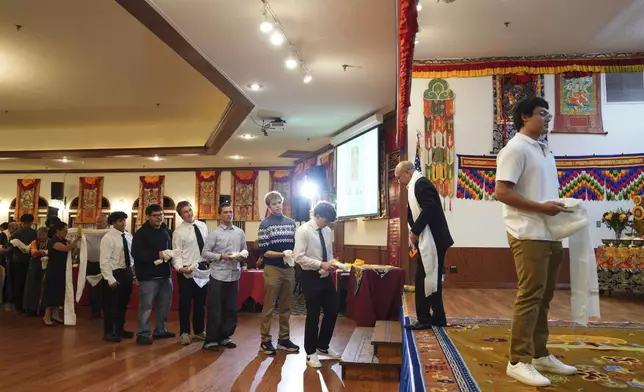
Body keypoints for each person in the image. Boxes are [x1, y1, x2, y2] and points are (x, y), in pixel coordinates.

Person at [495, 97, 577, 387]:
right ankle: (518, 360)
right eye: (543, 113)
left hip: (549, 232)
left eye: (550, 114)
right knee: (530, 295)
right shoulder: (515, 149)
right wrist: (542, 208)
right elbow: (502, 193)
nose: (549, 118)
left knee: (545, 296)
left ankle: (540, 354)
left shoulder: (544, 149)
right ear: (524, 117)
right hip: (527, 232)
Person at [394, 161, 453, 330]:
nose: (399, 182)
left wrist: (415, 231)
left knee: (423, 279)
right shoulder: (416, 185)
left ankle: (424, 319)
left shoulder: (420, 184)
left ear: (407, 173)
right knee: (430, 277)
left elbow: (430, 208)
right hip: (431, 239)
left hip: (433, 239)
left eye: (399, 177)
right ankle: (438, 317)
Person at [294, 201, 342, 368]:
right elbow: (298, 257)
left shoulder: (327, 230)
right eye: (326, 220)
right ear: (318, 216)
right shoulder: (303, 231)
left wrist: (332, 263)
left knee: (333, 309)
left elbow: (327, 253)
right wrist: (320, 264)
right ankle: (310, 352)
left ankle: (323, 346)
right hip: (309, 276)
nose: (328, 224)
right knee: (313, 314)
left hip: (326, 276)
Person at [257, 191, 300, 355]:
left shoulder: (291, 223)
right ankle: (265, 340)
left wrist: (293, 255)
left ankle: (284, 339)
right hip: (272, 268)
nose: (278, 206)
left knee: (286, 307)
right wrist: (283, 254)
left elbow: (295, 245)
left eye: (279, 202)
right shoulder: (265, 224)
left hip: (289, 268)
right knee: (269, 306)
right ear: (269, 206)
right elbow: (264, 251)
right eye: (274, 203)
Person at [201, 203, 247, 351]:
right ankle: (211, 340)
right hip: (218, 274)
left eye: (231, 212)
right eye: (226, 212)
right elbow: (205, 253)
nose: (229, 214)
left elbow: (244, 250)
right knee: (216, 308)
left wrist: (241, 257)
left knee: (231, 308)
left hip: (234, 274)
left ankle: (225, 336)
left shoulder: (240, 232)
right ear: (220, 215)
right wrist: (221, 256)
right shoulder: (214, 234)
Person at [132, 204, 175, 345]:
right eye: (156, 215)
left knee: (164, 305)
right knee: (146, 306)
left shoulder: (165, 230)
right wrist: (158, 254)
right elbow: (136, 254)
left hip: (165, 274)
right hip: (148, 276)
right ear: (148, 216)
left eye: (161, 215)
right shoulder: (141, 233)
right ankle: (143, 333)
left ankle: (160, 330)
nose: (159, 218)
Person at [172, 201, 209, 345]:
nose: (189, 213)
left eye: (190, 210)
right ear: (181, 215)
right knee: (185, 304)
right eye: (185, 212)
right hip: (186, 270)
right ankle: (185, 333)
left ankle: (199, 331)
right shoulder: (178, 232)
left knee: (201, 303)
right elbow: (176, 253)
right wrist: (181, 269)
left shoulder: (203, 226)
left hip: (202, 269)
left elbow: (206, 247)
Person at [99, 211, 135, 342]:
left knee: (123, 304)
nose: (123, 223)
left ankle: (120, 329)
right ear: (113, 223)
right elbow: (104, 260)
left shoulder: (129, 236)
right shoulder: (108, 238)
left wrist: (133, 271)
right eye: (120, 220)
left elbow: (131, 255)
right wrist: (110, 278)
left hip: (127, 272)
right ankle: (109, 332)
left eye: (124, 220)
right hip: (114, 273)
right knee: (111, 305)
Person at [42, 221, 80, 326]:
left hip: (60, 270)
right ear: (58, 230)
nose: (66, 232)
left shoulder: (62, 240)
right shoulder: (54, 241)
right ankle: (46, 316)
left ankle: (55, 315)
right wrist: (77, 239)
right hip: (53, 270)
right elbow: (66, 248)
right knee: (51, 293)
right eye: (64, 230)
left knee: (58, 293)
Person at [10, 214, 38, 312]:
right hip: (28, 261)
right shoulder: (34, 233)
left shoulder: (15, 233)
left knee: (20, 283)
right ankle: (26, 305)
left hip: (20, 261)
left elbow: (10, 248)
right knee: (27, 283)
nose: (26, 225)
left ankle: (20, 305)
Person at [85, 214, 110, 319]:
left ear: (106, 223)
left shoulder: (110, 233)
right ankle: (95, 312)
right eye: (97, 222)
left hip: (106, 264)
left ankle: (107, 311)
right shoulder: (89, 233)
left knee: (107, 288)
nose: (98, 224)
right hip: (92, 263)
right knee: (93, 289)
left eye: (101, 222)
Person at [22, 227, 49, 316]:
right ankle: (30, 308)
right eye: (39, 234)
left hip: (45, 267)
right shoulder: (34, 242)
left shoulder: (50, 242)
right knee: (31, 288)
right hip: (34, 267)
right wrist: (44, 252)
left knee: (44, 288)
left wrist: (41, 252)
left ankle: (42, 309)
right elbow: (33, 252)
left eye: (42, 234)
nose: (40, 236)